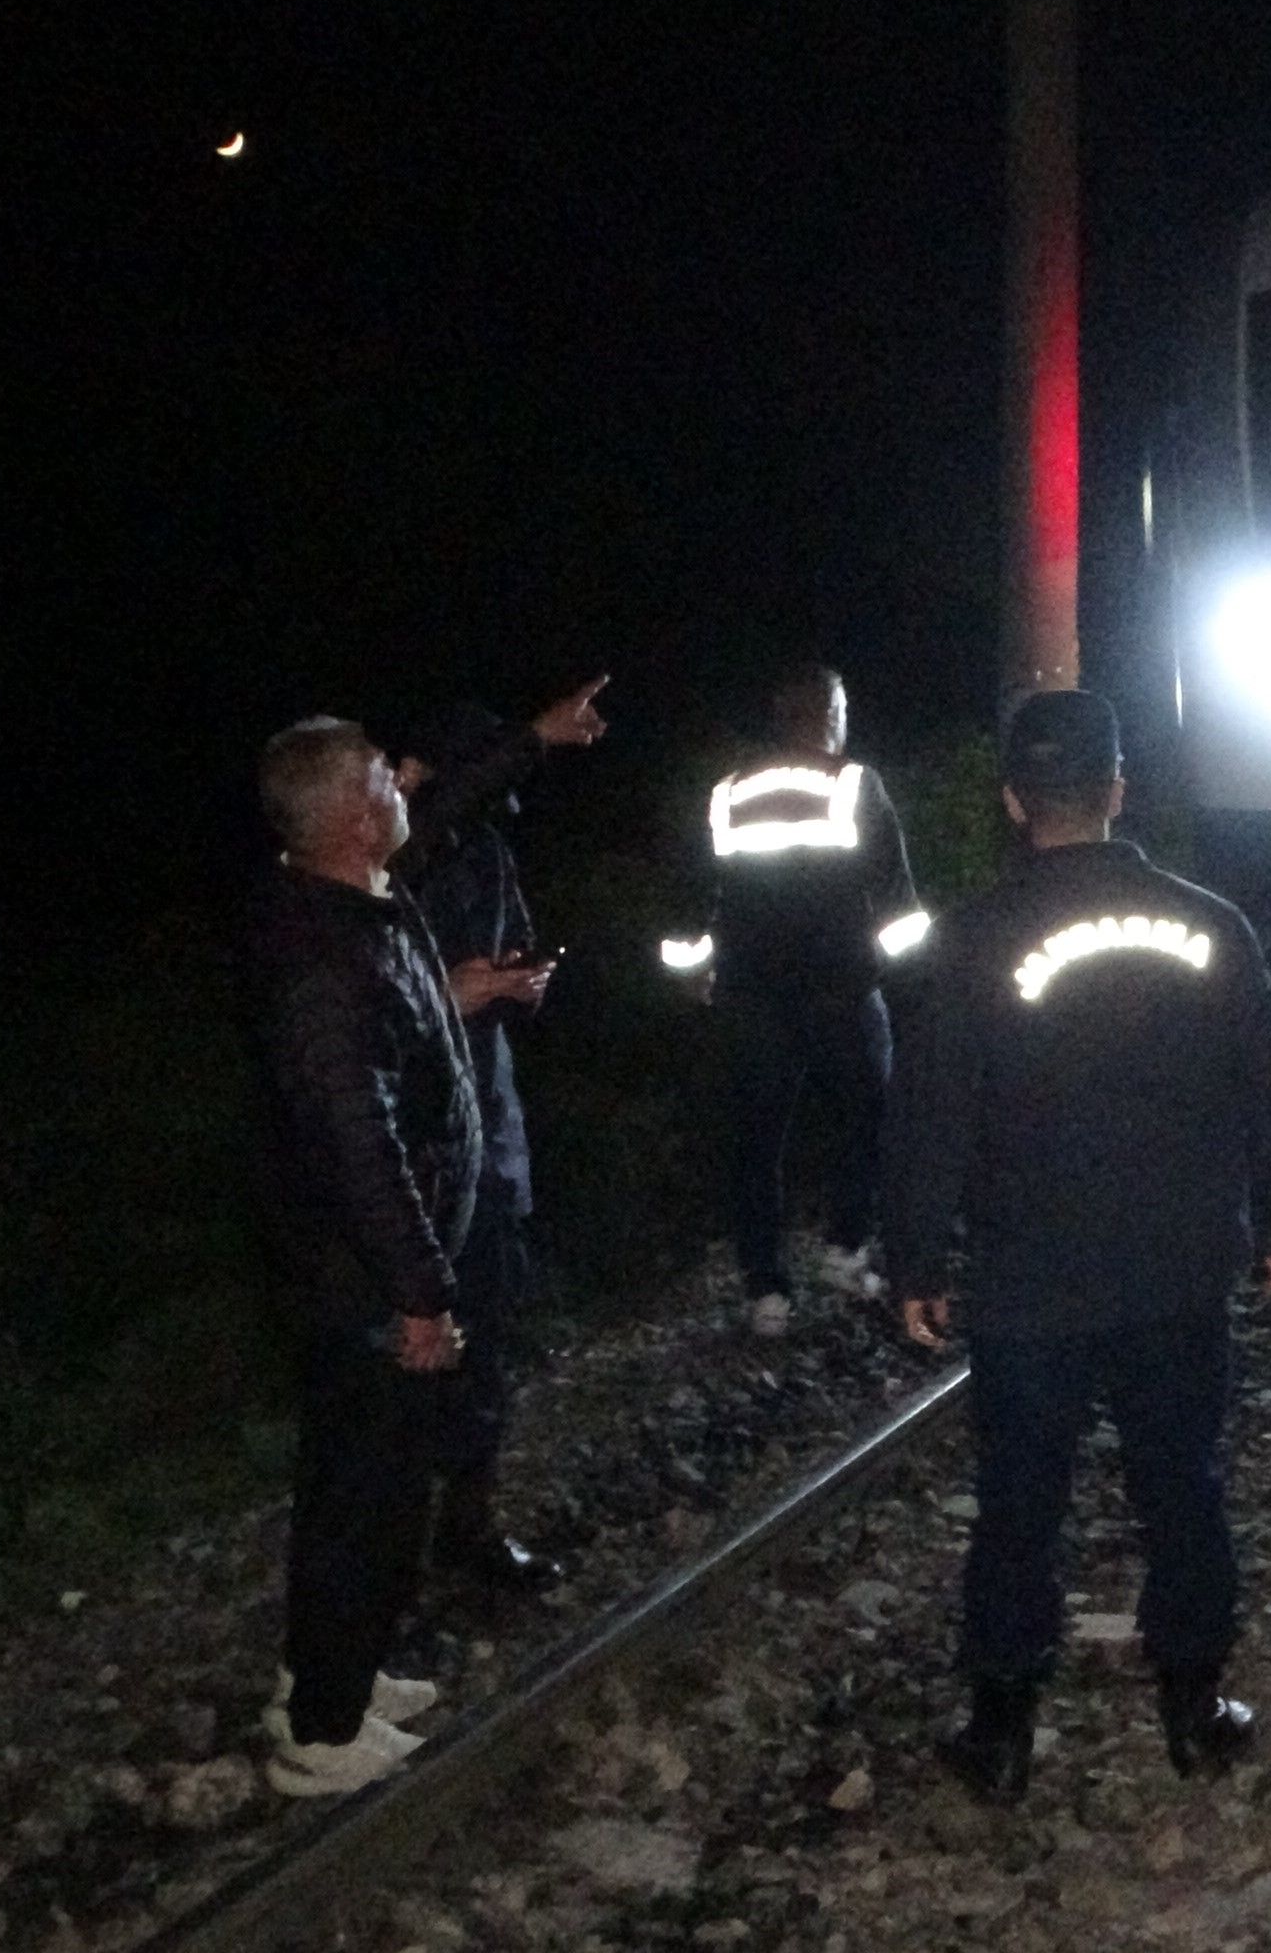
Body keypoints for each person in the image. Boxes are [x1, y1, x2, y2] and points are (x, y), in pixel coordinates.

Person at [882, 689, 1271, 1802]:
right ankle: (1193, 1704)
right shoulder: (1209, 923)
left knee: (1021, 1501)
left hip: (1032, 1278)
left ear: (1014, 801)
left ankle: (1002, 1725)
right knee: (1183, 1484)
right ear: (1119, 791)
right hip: (1177, 1267)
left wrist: (919, 1259)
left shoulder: (971, 940)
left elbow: (932, 1110)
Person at [239, 717, 481, 1796]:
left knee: (361, 1482)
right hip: (365, 1281)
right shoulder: (321, 956)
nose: (401, 782)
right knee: (365, 1493)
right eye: (385, 776)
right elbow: (358, 1143)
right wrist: (419, 1288)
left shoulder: (353, 904)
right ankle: (322, 1735)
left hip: (368, 1268)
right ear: (348, 814)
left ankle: (331, 1673)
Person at [381, 675, 609, 1588]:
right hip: (410, 1143)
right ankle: (388, 1565)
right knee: (405, 1360)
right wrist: (451, 992)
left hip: (489, 1117)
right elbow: (367, 1008)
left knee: (490, 1334)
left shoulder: (488, 850)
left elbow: (511, 946)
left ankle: (467, 1532)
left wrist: (521, 980)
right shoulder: (385, 862)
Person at [661, 665, 925, 1336]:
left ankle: (765, 1292)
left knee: (756, 1141)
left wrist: (693, 969)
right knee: (869, 1116)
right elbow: (896, 899)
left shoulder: (726, 793)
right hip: (841, 988)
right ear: (831, 713)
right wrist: (908, 978)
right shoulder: (855, 783)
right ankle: (845, 1248)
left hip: (752, 993)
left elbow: (696, 895)